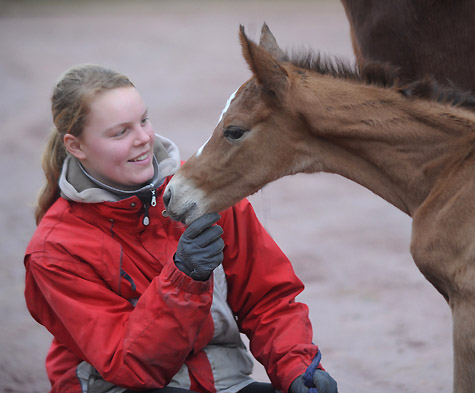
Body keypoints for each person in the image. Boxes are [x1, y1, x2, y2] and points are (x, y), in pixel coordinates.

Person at [24, 64, 339, 393]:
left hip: (221, 383)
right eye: (121, 132)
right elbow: (127, 365)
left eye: (143, 120)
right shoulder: (55, 250)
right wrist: (184, 278)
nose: (143, 138)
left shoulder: (206, 190)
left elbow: (268, 298)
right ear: (76, 146)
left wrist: (296, 368)